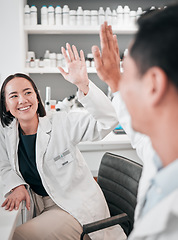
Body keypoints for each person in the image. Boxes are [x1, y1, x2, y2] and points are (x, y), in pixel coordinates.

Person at [0, 44, 126, 240]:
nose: (22, 100)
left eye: (27, 92)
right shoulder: (6, 134)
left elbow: (107, 121)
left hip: (74, 207)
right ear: (6, 106)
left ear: (37, 96)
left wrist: (83, 85)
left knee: (18, 236)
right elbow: (4, 164)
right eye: (13, 96)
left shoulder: (61, 123)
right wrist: (16, 185)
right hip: (42, 205)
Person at [92, 4, 178, 239]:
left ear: (153, 85)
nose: (121, 87)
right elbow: (140, 136)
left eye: (126, 74)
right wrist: (114, 79)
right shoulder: (162, 150)